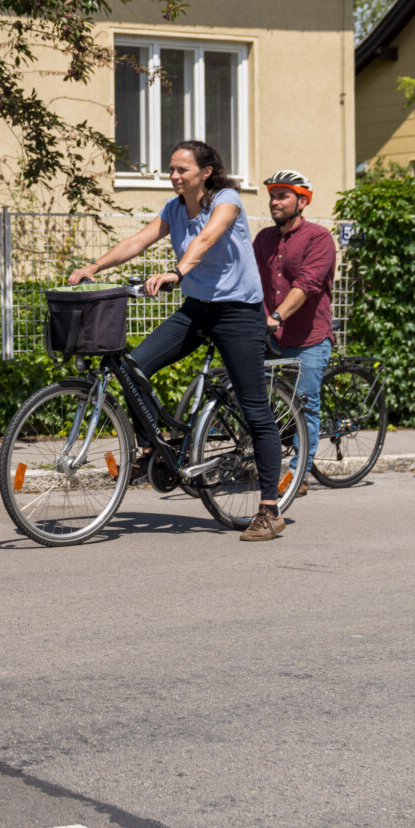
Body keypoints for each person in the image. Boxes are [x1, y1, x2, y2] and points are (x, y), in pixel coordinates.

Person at [67, 140, 287, 542]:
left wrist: (177, 271)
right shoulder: (173, 209)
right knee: (133, 367)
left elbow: (205, 240)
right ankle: (155, 450)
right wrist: (95, 266)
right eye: (171, 169)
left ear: (205, 171)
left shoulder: (228, 200)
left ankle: (270, 509)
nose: (174, 176)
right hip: (198, 308)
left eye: (182, 169)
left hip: (238, 312)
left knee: (255, 407)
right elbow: (138, 240)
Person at [254, 170, 337, 491]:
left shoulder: (319, 238)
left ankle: (297, 473)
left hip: (308, 339)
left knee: (304, 405)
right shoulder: (263, 239)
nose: (274, 201)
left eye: (282, 196)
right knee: (262, 405)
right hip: (269, 338)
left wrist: (275, 316)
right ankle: (265, 466)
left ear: (302, 201)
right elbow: (250, 280)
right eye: (273, 196)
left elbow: (307, 285)